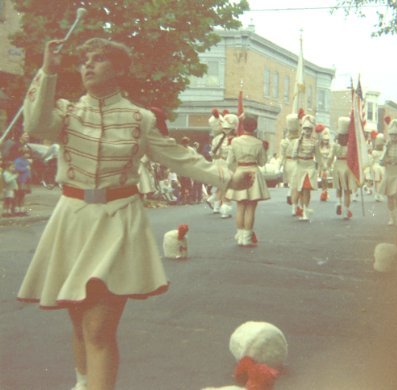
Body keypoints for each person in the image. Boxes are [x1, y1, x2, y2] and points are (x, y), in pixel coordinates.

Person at [16, 37, 252, 390]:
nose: (89, 66)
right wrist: (48, 69)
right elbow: (34, 123)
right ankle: (83, 383)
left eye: (98, 59)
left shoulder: (139, 119)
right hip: (72, 220)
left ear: (120, 69)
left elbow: (178, 157)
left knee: (99, 328)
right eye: (84, 61)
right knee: (79, 321)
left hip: (118, 221)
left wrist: (226, 176)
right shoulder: (66, 113)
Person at [225, 115, 270, 246]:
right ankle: (247, 237)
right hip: (253, 172)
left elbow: (229, 162)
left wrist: (235, 170)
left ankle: (239, 236)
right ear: (255, 127)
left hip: (240, 171)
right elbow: (262, 162)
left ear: (242, 126)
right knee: (251, 207)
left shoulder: (235, 141)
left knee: (240, 206)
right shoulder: (258, 143)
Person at [290, 114, 322, 221]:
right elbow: (293, 156)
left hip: (309, 166)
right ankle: (296, 207)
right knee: (299, 188)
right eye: (305, 128)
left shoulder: (315, 142)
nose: (307, 130)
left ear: (312, 129)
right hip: (300, 166)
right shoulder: (298, 141)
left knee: (306, 190)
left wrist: (322, 167)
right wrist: (298, 144)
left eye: (309, 129)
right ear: (302, 129)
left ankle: (305, 211)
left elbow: (318, 156)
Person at [327, 116, 359, 220]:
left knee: (339, 187)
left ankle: (338, 202)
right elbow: (355, 157)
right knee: (347, 190)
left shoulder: (336, 146)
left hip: (338, 165)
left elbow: (330, 157)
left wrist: (327, 166)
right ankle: (346, 210)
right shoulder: (351, 145)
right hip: (347, 166)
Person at [279, 114, 300, 209]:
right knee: (296, 184)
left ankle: (290, 194)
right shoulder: (300, 141)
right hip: (296, 162)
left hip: (288, 163)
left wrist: (280, 165)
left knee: (293, 182)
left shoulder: (284, 141)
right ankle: (294, 203)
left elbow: (281, 156)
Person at [13, 145, 32, 215]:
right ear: (22, 153)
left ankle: (22, 209)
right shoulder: (17, 161)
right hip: (20, 180)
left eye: (28, 153)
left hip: (26, 181)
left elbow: (29, 170)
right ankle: (17, 209)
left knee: (23, 195)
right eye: (26, 153)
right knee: (18, 195)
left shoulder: (26, 161)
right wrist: (26, 168)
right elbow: (17, 169)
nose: (28, 155)